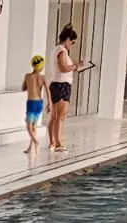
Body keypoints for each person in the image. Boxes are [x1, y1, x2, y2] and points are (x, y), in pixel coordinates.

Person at [48, 24, 92, 153]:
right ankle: (58, 144)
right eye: (72, 42)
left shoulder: (56, 49)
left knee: (55, 116)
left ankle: (53, 142)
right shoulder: (62, 51)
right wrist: (76, 66)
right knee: (60, 116)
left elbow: (63, 68)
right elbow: (63, 68)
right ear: (67, 39)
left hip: (57, 84)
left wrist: (75, 67)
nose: (72, 45)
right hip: (62, 85)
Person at [21, 54, 47, 153]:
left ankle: (35, 142)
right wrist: (49, 103)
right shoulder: (43, 77)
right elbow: (48, 91)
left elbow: (23, 88)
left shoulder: (28, 76)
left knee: (28, 126)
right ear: (41, 66)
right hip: (39, 102)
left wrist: (29, 84)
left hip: (31, 103)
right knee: (34, 125)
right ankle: (31, 147)